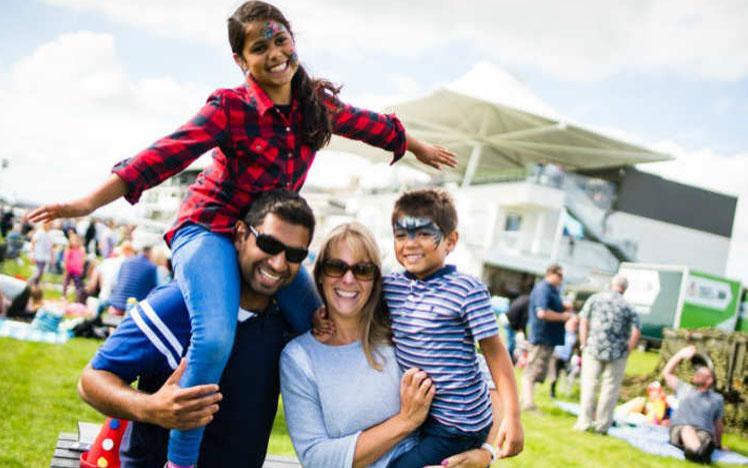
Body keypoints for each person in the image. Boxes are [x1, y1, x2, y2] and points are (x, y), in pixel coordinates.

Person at [27, 2, 456, 466]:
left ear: (293, 39)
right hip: (209, 229)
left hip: (265, 230)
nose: (274, 53)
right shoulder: (230, 107)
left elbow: (368, 124)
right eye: (259, 47)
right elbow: (163, 155)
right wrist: (89, 203)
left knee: (321, 318)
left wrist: (415, 146)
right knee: (212, 338)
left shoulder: (315, 104)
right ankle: (181, 460)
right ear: (240, 60)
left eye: (280, 40)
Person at [78, 190, 321, 467]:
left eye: (294, 254)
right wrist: (151, 408)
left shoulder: (285, 322)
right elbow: (91, 381)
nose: (278, 263)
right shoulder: (178, 306)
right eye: (267, 244)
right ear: (241, 235)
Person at [281, 222, 501, 468]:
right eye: (336, 267)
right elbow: (316, 458)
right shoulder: (300, 358)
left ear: (375, 279)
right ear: (320, 274)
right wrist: (405, 421)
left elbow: (490, 381)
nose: (348, 279)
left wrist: (486, 453)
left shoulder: (402, 331)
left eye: (362, 270)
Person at [382, 189, 523, 467]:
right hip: (422, 413)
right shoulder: (392, 287)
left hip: (458, 422)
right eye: (401, 235)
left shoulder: (466, 290)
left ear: (451, 240)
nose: (410, 244)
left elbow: (495, 353)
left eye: (423, 233)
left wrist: (513, 417)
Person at [575, 275, 641, 433]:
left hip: (593, 348)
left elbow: (583, 320)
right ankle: (602, 425)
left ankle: (584, 422)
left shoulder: (595, 299)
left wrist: (583, 343)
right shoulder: (628, 306)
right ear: (625, 288)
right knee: (610, 389)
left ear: (612, 284)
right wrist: (628, 350)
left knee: (589, 385)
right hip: (617, 352)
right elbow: (637, 330)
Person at [663, 345, 725, 464]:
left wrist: (719, 445)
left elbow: (718, 424)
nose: (696, 374)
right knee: (687, 430)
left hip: (704, 432)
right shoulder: (684, 388)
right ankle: (700, 453)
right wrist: (680, 354)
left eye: (701, 373)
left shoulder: (717, 399)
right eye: (697, 372)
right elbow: (666, 373)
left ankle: (695, 453)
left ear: (710, 380)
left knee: (706, 440)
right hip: (680, 429)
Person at [522, 263, 571, 410]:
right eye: (560, 275)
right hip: (541, 336)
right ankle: (528, 402)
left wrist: (563, 307)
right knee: (532, 370)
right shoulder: (543, 288)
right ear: (551, 273)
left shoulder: (552, 290)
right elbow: (542, 313)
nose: (562, 279)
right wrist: (563, 316)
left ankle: (526, 399)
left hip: (547, 337)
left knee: (537, 371)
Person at [107, 245, 158, 315]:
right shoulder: (152, 267)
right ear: (150, 254)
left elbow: (117, 281)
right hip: (135, 308)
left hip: (115, 305)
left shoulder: (126, 261)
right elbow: (154, 290)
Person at [549, 313, 579, 399]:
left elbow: (575, 348)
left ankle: (566, 393)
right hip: (557, 355)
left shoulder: (574, 336)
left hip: (566, 358)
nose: (574, 325)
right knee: (554, 375)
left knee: (567, 374)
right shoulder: (561, 331)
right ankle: (552, 391)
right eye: (573, 323)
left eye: (576, 324)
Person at [505, 293, 530, 363]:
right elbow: (524, 319)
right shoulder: (529, 303)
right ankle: (510, 361)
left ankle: (511, 360)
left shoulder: (526, 298)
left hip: (508, 317)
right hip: (510, 320)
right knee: (511, 343)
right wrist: (524, 333)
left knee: (511, 342)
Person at [62, 232, 86, 303]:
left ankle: (78, 297)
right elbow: (66, 259)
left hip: (76, 270)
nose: (74, 242)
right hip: (69, 269)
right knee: (66, 283)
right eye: (72, 241)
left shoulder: (81, 249)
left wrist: (81, 268)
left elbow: (83, 259)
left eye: (76, 240)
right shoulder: (69, 249)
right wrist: (65, 268)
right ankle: (64, 295)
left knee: (77, 284)